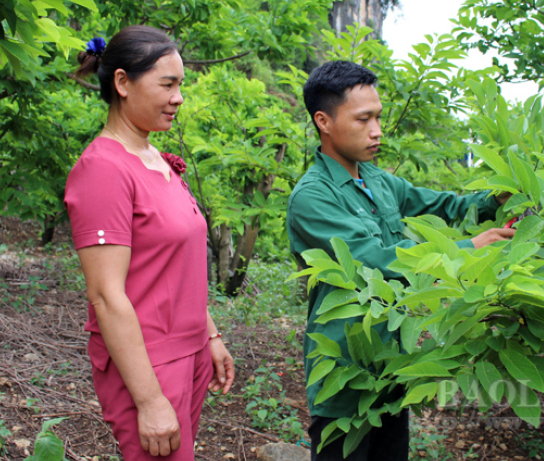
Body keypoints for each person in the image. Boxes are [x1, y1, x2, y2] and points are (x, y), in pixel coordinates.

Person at [286, 61, 515, 460]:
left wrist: (496, 198)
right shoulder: (313, 197)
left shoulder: (377, 179)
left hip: (392, 361)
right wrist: (466, 250)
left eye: (378, 117)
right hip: (346, 371)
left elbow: (445, 206)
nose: (377, 130)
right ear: (324, 121)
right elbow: (372, 260)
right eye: (363, 119)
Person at [64, 26, 235, 460]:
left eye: (181, 85)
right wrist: (149, 400)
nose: (179, 97)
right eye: (168, 84)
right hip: (148, 365)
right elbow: (105, 295)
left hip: (189, 352)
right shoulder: (103, 170)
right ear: (122, 83)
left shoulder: (155, 159)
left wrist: (209, 333)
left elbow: (174, 264)